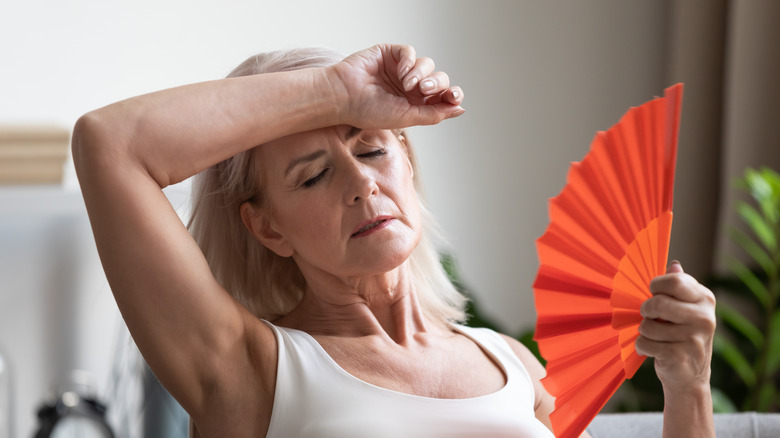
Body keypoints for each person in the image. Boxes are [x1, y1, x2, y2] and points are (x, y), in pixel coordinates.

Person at [72, 43, 716, 437]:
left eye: (373, 148)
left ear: (407, 162)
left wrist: (687, 384)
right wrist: (338, 92)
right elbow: (111, 145)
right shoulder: (252, 373)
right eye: (315, 175)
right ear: (268, 227)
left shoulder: (510, 365)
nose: (360, 184)